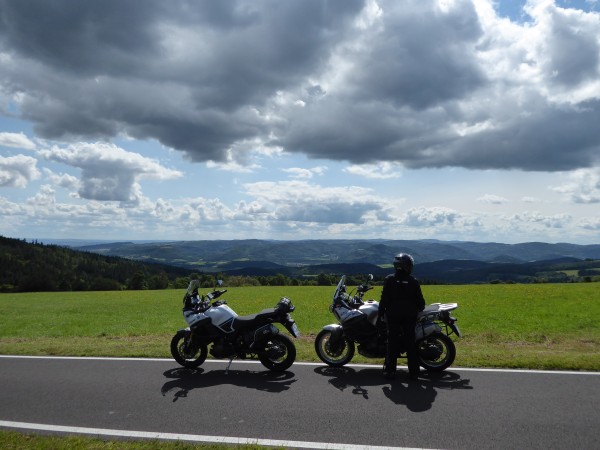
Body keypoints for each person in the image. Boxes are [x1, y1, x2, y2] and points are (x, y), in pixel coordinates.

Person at [378, 253, 425, 380]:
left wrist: (380, 313)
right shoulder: (413, 281)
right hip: (410, 316)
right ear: (406, 267)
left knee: (392, 343)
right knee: (411, 343)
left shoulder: (389, 280)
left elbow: (384, 300)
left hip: (393, 316)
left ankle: (390, 370)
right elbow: (421, 304)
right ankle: (414, 372)